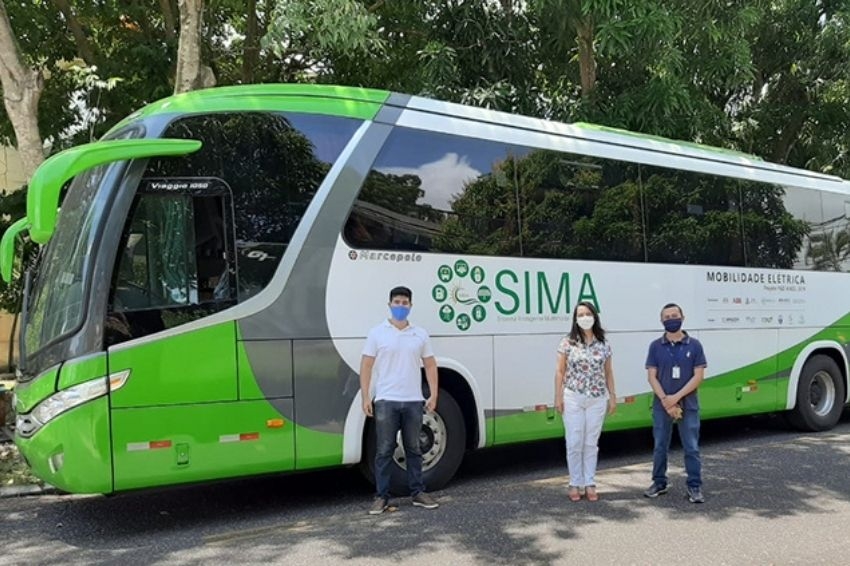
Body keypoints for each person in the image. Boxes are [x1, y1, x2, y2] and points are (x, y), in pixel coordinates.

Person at [360, 285, 440, 515]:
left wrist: (433, 393)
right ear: (389, 305)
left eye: (405, 303)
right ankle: (381, 497)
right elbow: (366, 364)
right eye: (397, 302)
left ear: (411, 306)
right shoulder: (377, 333)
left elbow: (431, 364)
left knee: (414, 449)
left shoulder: (420, 334)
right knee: (384, 450)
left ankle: (418, 493)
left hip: (414, 401)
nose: (400, 307)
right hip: (386, 400)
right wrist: (366, 395)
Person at [644, 303, 707, 504]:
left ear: (682, 317)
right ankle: (659, 482)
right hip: (662, 404)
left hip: (688, 404)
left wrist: (676, 397)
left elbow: (698, 377)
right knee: (660, 445)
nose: (671, 319)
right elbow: (652, 377)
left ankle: (694, 486)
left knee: (691, 447)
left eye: (675, 315)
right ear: (661, 321)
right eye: (667, 316)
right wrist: (666, 400)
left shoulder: (694, 345)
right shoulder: (655, 346)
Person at [554, 301, 616, 502]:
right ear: (575, 319)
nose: (584, 318)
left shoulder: (603, 343)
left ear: (594, 316)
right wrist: (557, 396)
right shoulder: (567, 342)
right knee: (574, 441)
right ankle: (575, 482)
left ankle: (589, 482)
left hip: (597, 398)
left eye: (587, 313)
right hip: (573, 396)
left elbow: (608, 372)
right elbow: (560, 371)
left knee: (591, 442)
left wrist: (612, 396)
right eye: (580, 315)